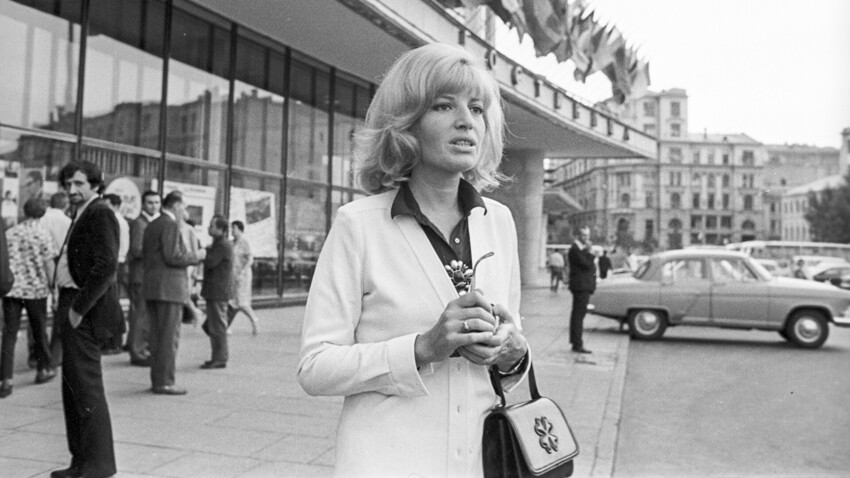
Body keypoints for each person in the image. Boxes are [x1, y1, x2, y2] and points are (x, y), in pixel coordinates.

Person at [297, 43, 530, 477]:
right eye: (444, 106)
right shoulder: (358, 225)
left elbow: (510, 341)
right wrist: (423, 347)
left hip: (482, 462)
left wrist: (512, 350)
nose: (466, 120)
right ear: (407, 122)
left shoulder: (499, 221)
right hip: (387, 463)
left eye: (477, 109)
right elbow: (315, 367)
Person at [52, 160, 123, 478]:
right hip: (72, 305)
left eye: (79, 183)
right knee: (73, 388)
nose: (72, 190)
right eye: (68, 184)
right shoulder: (82, 214)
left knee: (86, 387)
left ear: (95, 184)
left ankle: (98, 465)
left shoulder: (100, 212)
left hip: (85, 310)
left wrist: (78, 309)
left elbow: (106, 265)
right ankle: (80, 461)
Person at [143, 190, 205, 395]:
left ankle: (158, 380)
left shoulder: (152, 224)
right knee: (168, 339)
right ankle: (165, 382)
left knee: (157, 338)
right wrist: (196, 256)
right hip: (169, 289)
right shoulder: (170, 225)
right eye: (184, 207)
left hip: (153, 287)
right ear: (176, 206)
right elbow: (173, 256)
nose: (185, 212)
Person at [0, 198, 57, 398]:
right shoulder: (43, 234)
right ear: (42, 213)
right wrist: (53, 287)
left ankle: (6, 379)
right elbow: (49, 264)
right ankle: (43, 369)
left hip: (12, 289)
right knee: (39, 329)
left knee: (9, 333)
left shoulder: (10, 232)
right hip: (36, 290)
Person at [127, 190, 160, 366]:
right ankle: (138, 352)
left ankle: (139, 347)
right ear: (143, 204)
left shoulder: (152, 222)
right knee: (141, 315)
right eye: (150, 203)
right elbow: (137, 249)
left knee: (143, 314)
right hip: (140, 275)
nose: (153, 206)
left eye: (156, 202)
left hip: (147, 275)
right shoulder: (140, 223)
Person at [200, 215, 233, 369]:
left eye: (212, 226)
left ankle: (220, 357)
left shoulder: (223, 245)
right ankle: (218, 356)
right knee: (214, 325)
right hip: (215, 290)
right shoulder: (219, 244)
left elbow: (211, 261)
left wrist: (203, 253)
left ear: (221, 229)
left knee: (217, 326)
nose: (209, 228)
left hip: (218, 291)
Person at [101, 194, 129, 355]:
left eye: (106, 204)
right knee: (110, 301)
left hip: (115, 263)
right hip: (114, 262)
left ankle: (114, 341)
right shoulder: (115, 219)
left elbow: (121, 245)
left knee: (111, 302)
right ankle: (112, 340)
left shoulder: (117, 221)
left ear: (114, 205)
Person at [227, 220, 259, 335]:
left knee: (240, 302)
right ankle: (227, 325)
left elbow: (250, 259)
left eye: (233, 228)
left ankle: (254, 320)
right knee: (234, 300)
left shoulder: (244, 242)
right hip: (233, 275)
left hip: (243, 276)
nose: (232, 231)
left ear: (240, 229)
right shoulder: (231, 243)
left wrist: (243, 271)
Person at [568, 226, 596, 354]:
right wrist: (590, 252)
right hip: (581, 286)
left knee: (578, 316)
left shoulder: (580, 249)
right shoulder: (575, 249)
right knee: (578, 316)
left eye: (588, 236)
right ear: (578, 236)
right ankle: (577, 344)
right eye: (584, 235)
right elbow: (586, 264)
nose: (587, 238)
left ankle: (575, 342)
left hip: (582, 286)